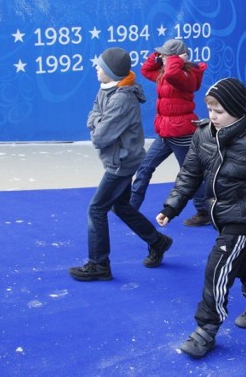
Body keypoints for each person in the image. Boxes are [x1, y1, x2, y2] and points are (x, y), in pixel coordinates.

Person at [155, 78, 246, 359]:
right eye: (210, 109)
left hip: (244, 217)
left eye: (218, 111)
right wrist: (171, 207)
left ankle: (207, 328)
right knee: (240, 260)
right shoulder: (203, 134)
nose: (212, 116)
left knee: (217, 268)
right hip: (221, 214)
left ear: (236, 109)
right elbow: (189, 174)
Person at [68, 47, 172, 282]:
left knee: (96, 210)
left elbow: (100, 137)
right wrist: (98, 121)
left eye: (100, 66)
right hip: (120, 158)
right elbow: (93, 115)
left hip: (121, 162)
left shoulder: (123, 98)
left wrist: (97, 123)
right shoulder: (107, 88)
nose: (96, 69)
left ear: (111, 72)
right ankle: (158, 241)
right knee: (121, 207)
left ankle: (99, 264)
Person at [130, 39, 210, 227]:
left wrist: (174, 60)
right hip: (166, 131)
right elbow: (146, 70)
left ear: (176, 58)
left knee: (189, 173)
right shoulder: (165, 72)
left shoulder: (187, 75)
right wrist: (157, 57)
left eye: (166, 54)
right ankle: (131, 207)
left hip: (181, 132)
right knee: (145, 167)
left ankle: (204, 211)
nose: (163, 57)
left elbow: (174, 73)